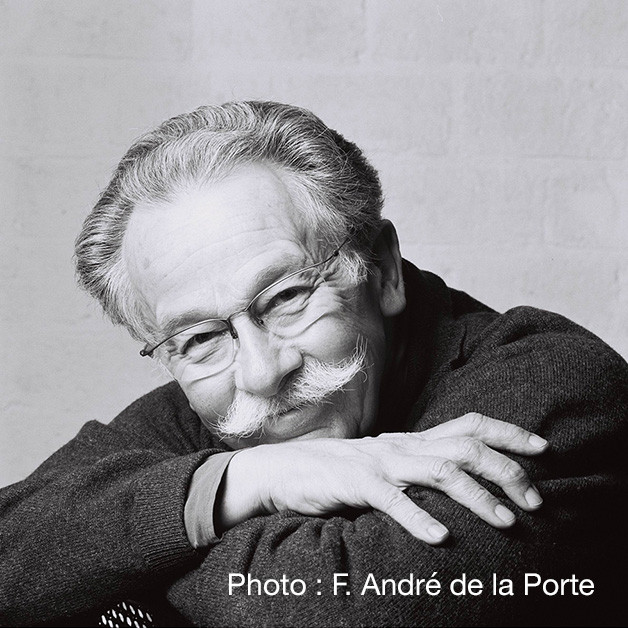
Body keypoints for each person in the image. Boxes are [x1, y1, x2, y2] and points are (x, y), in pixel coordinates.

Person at [1, 101, 626, 628]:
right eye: (198, 337)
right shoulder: (216, 398)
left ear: (381, 269)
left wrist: (120, 556)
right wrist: (236, 483)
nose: (260, 373)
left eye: (286, 298)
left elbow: (335, 609)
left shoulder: (556, 383)